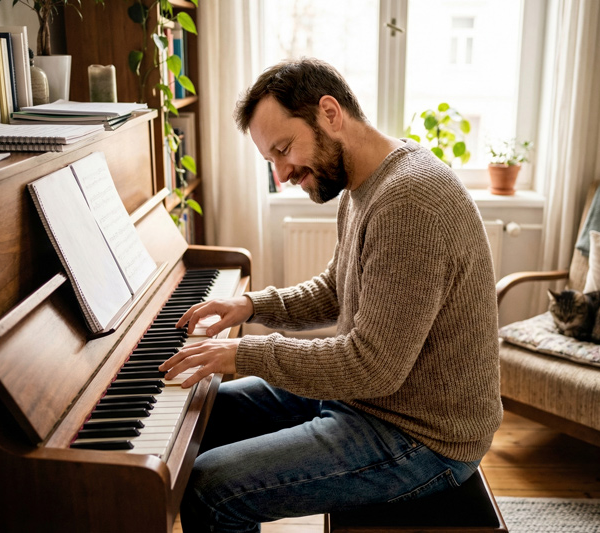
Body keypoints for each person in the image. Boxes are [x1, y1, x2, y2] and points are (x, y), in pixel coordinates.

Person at [159, 58, 502, 532]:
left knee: (211, 489)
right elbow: (336, 289)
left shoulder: (410, 202)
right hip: (371, 403)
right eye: (271, 161)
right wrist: (253, 305)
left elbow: (371, 366)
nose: (282, 173)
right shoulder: (367, 183)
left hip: (422, 437)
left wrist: (246, 352)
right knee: (203, 410)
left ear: (330, 112)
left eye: (284, 149)